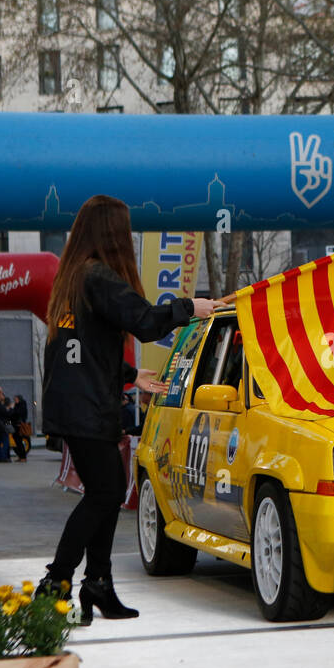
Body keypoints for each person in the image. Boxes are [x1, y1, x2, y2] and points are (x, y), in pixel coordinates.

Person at [38, 194, 219, 621]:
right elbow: (144, 321)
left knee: (108, 492)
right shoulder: (99, 277)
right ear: (112, 233)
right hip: (86, 407)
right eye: (125, 230)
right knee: (104, 493)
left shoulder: (75, 278)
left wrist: (127, 375)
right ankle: (57, 582)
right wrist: (189, 308)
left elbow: (81, 349)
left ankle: (98, 584)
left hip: (77, 403)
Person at [11, 394, 31, 461]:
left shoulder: (22, 405)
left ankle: (23, 457)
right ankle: (20, 456)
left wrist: (12, 409)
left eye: (16, 399)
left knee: (19, 441)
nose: (15, 400)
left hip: (19, 426)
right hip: (15, 425)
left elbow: (18, 414)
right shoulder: (17, 406)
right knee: (17, 441)